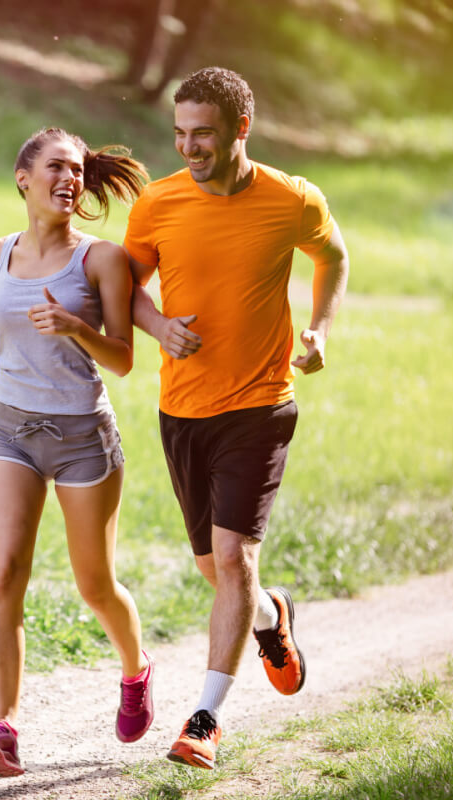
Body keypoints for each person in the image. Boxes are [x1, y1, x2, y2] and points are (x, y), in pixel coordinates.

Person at [123, 67, 350, 770]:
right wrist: (159, 325)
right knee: (213, 568)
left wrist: (319, 331)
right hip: (182, 407)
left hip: (260, 404)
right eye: (180, 134)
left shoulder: (291, 198)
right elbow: (124, 288)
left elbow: (333, 257)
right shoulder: (158, 204)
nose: (189, 147)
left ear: (240, 129)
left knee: (232, 558)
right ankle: (269, 619)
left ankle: (206, 719)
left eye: (204, 135)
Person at [0, 127, 153, 777]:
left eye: (79, 170)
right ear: (23, 177)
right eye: (57, 166)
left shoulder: (101, 261)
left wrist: (76, 327)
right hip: (12, 430)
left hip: (84, 437)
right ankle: (4, 728)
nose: (71, 178)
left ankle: (136, 669)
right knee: (3, 571)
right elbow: (7, 313)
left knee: (95, 585)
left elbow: (123, 359)